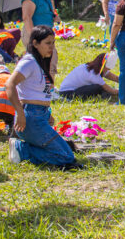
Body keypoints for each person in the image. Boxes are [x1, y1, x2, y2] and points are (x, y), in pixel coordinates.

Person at [5, 25, 79, 168]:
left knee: (67, 152)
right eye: (47, 43)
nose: (51, 47)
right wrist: (20, 112)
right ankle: (22, 150)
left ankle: (25, 148)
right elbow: (9, 85)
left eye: (53, 43)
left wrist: (48, 113)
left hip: (40, 115)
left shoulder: (41, 62)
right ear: (35, 43)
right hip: (30, 117)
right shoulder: (29, 61)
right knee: (66, 156)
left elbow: (41, 92)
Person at [21, 0, 59, 78]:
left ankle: (49, 86)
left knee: (51, 58)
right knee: (39, 60)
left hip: (47, 33)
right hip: (35, 34)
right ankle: (41, 86)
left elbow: (48, 13)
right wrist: (34, 35)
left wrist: (55, 17)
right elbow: (26, 17)